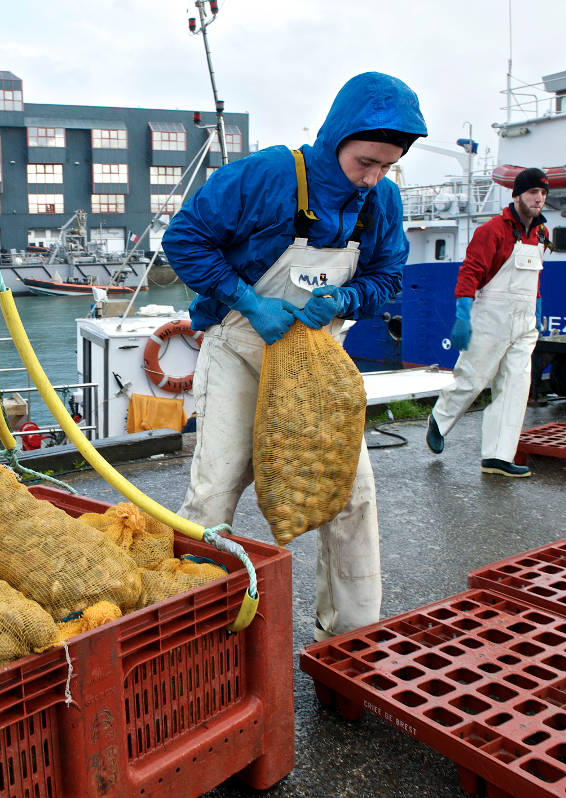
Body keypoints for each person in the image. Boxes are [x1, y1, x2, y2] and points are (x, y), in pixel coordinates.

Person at [162, 72, 426, 642]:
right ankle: (191, 629)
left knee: (351, 494)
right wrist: (248, 300)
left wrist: (351, 296)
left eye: (387, 166)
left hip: (318, 363)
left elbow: (388, 274)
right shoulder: (268, 175)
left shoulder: (381, 199)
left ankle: (353, 634)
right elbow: (183, 238)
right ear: (336, 139)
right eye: (364, 162)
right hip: (241, 347)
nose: (373, 177)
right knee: (215, 489)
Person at [425, 167, 551, 477]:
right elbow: (470, 273)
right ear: (517, 195)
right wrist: (462, 315)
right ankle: (439, 419)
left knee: (515, 388)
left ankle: (497, 456)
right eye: (533, 192)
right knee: (472, 378)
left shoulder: (541, 233)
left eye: (544, 193)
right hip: (490, 316)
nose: (539, 198)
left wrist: (536, 309)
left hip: (524, 324)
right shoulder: (492, 230)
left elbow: (535, 278)